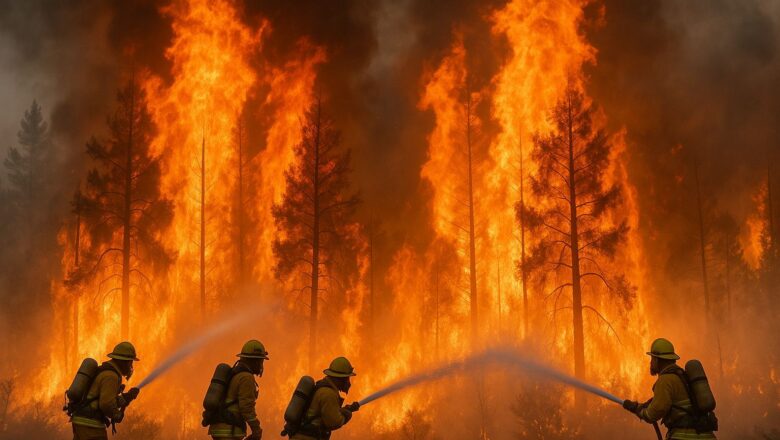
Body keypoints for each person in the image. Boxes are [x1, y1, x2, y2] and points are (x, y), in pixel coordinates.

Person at [623, 338, 717, 439]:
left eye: (652, 359)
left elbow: (653, 414)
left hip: (684, 437)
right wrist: (639, 406)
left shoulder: (665, 380)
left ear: (658, 360)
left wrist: (639, 411)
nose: (651, 363)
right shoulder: (681, 376)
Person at [71, 341, 140, 440]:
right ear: (123, 361)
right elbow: (106, 404)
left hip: (82, 422)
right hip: (91, 425)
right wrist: (117, 415)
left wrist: (126, 397)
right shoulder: (111, 376)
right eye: (130, 362)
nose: (131, 366)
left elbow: (105, 399)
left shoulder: (106, 371)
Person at [208, 340, 269, 440]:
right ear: (254, 361)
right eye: (260, 361)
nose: (261, 365)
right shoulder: (246, 378)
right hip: (229, 430)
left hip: (220, 428)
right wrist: (256, 429)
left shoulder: (236, 373)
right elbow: (246, 407)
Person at [291, 357, 360, 440]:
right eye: (347, 378)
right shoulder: (328, 394)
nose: (348, 382)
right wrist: (346, 414)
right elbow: (333, 422)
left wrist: (345, 409)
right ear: (340, 379)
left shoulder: (323, 387)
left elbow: (324, 413)